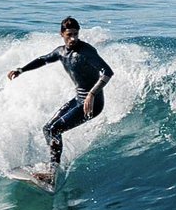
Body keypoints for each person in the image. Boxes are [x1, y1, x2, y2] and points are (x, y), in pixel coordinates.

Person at [8, 17, 114, 184]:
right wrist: (21, 69)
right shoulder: (61, 52)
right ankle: (54, 166)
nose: (73, 38)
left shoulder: (86, 52)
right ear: (62, 34)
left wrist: (92, 94)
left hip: (93, 104)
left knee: (55, 129)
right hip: (79, 99)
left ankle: (52, 174)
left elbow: (107, 72)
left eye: (76, 34)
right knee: (48, 129)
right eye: (69, 35)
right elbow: (43, 59)